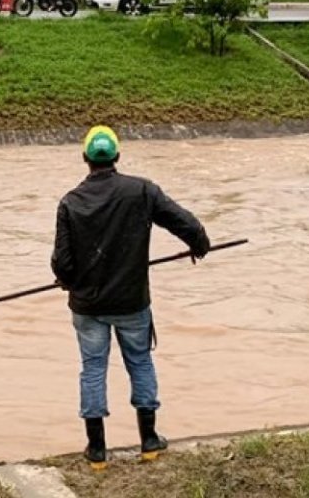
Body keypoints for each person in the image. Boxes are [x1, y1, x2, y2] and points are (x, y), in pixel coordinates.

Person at [51, 126, 211, 470]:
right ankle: (149, 442)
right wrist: (199, 244)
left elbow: (62, 263)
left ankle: (96, 452)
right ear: (117, 157)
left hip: (88, 306)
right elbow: (187, 224)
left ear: (85, 159)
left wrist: (66, 280)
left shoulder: (70, 202)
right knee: (139, 362)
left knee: (93, 369)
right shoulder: (141, 191)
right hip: (131, 303)